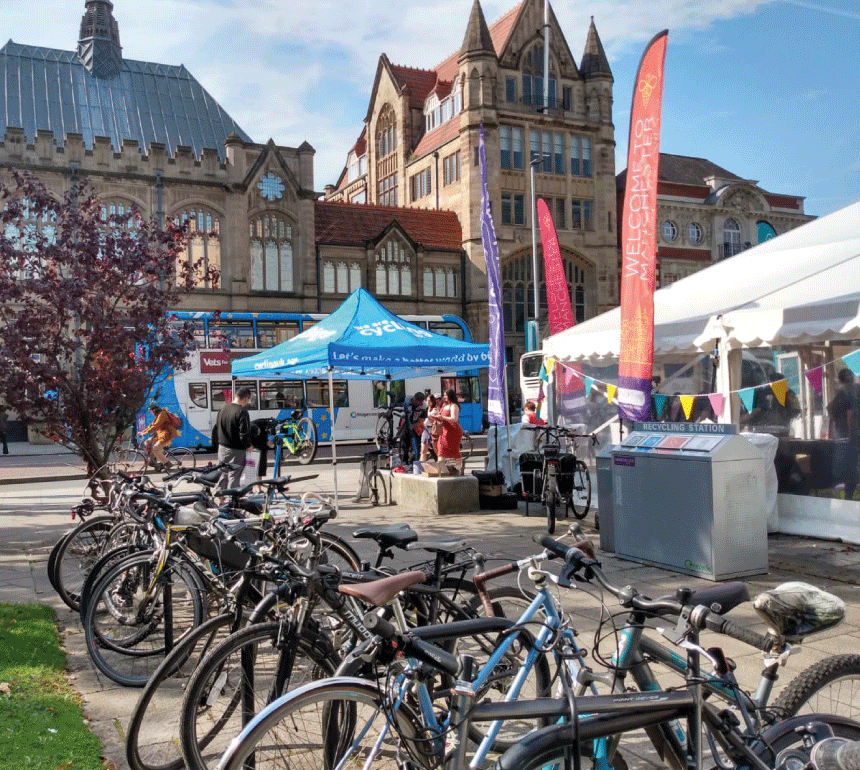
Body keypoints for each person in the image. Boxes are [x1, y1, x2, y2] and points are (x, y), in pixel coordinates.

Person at [828, 368, 860, 501]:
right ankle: (849, 494)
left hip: (846, 437)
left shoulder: (843, 392)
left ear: (840, 379)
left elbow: (849, 414)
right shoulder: (857, 390)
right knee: (853, 467)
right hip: (854, 436)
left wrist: (851, 433)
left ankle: (846, 495)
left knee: (844, 468)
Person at [215, 386, 252, 490]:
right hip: (236, 450)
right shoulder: (242, 412)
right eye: (248, 400)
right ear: (245, 399)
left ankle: (221, 499)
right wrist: (248, 446)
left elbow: (217, 426)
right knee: (234, 476)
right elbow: (244, 434)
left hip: (222, 447)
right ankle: (232, 500)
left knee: (222, 473)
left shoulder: (222, 409)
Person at [741, 372, 800, 436]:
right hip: (761, 432)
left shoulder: (788, 394)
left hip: (782, 431)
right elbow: (745, 418)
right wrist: (756, 410)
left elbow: (796, 412)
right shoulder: (761, 394)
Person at [138, 404, 178, 470]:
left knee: (155, 449)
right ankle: (152, 460)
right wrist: (142, 432)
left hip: (166, 434)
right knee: (148, 441)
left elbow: (156, 425)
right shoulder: (158, 415)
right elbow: (152, 425)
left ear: (154, 410)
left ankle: (167, 463)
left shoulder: (162, 414)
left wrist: (145, 433)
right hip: (160, 434)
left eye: (150, 411)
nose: (150, 412)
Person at [436, 388, 463, 474]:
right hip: (444, 431)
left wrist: (442, 417)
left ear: (450, 396)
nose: (444, 397)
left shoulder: (454, 406)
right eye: (443, 395)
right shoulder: (444, 405)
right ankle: (443, 471)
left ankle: (458, 469)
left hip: (453, 431)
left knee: (454, 451)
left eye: (445, 395)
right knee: (441, 450)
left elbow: (454, 419)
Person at [420, 394, 439, 462]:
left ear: (433, 401)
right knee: (423, 450)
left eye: (429, 401)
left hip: (433, 430)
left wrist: (427, 415)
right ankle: (421, 466)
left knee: (436, 450)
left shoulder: (435, 409)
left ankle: (440, 464)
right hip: (425, 429)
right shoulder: (425, 409)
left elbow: (433, 421)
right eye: (427, 401)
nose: (428, 402)